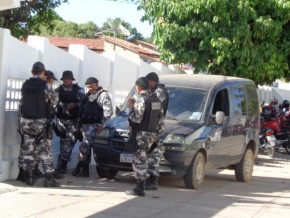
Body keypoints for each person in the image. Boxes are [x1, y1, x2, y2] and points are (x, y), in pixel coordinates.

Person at [18, 61, 59, 187]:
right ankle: (49, 179)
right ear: (43, 72)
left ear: (32, 72)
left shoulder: (25, 85)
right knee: (45, 150)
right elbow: (55, 101)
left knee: (28, 150)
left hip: (26, 122)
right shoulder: (46, 85)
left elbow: (22, 102)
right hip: (41, 123)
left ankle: (29, 178)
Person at [126, 77, 163, 197]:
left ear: (138, 87)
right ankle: (149, 183)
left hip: (141, 134)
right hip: (152, 134)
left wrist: (131, 107)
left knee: (139, 160)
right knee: (148, 158)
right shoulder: (156, 100)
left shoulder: (141, 99)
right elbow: (160, 120)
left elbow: (136, 119)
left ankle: (139, 188)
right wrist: (157, 135)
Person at [72, 77, 113, 177]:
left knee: (85, 146)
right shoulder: (89, 95)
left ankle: (80, 166)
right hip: (85, 126)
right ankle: (85, 170)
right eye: (88, 87)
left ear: (97, 84)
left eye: (91, 86)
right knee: (86, 147)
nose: (89, 88)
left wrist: (103, 125)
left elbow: (108, 112)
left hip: (95, 126)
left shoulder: (103, 95)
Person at [54, 70, 85, 174]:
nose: (67, 81)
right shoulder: (57, 91)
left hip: (73, 121)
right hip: (61, 120)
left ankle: (63, 164)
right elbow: (52, 103)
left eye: (69, 79)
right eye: (65, 79)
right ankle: (63, 163)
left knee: (69, 142)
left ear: (72, 80)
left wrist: (75, 105)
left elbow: (84, 103)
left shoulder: (79, 90)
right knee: (63, 142)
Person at [144, 72, 169, 190]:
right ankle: (150, 178)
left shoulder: (160, 92)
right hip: (152, 126)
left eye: (148, 82)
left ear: (153, 81)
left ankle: (153, 180)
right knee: (150, 153)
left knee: (153, 153)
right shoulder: (154, 91)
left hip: (156, 127)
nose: (147, 84)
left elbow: (153, 103)